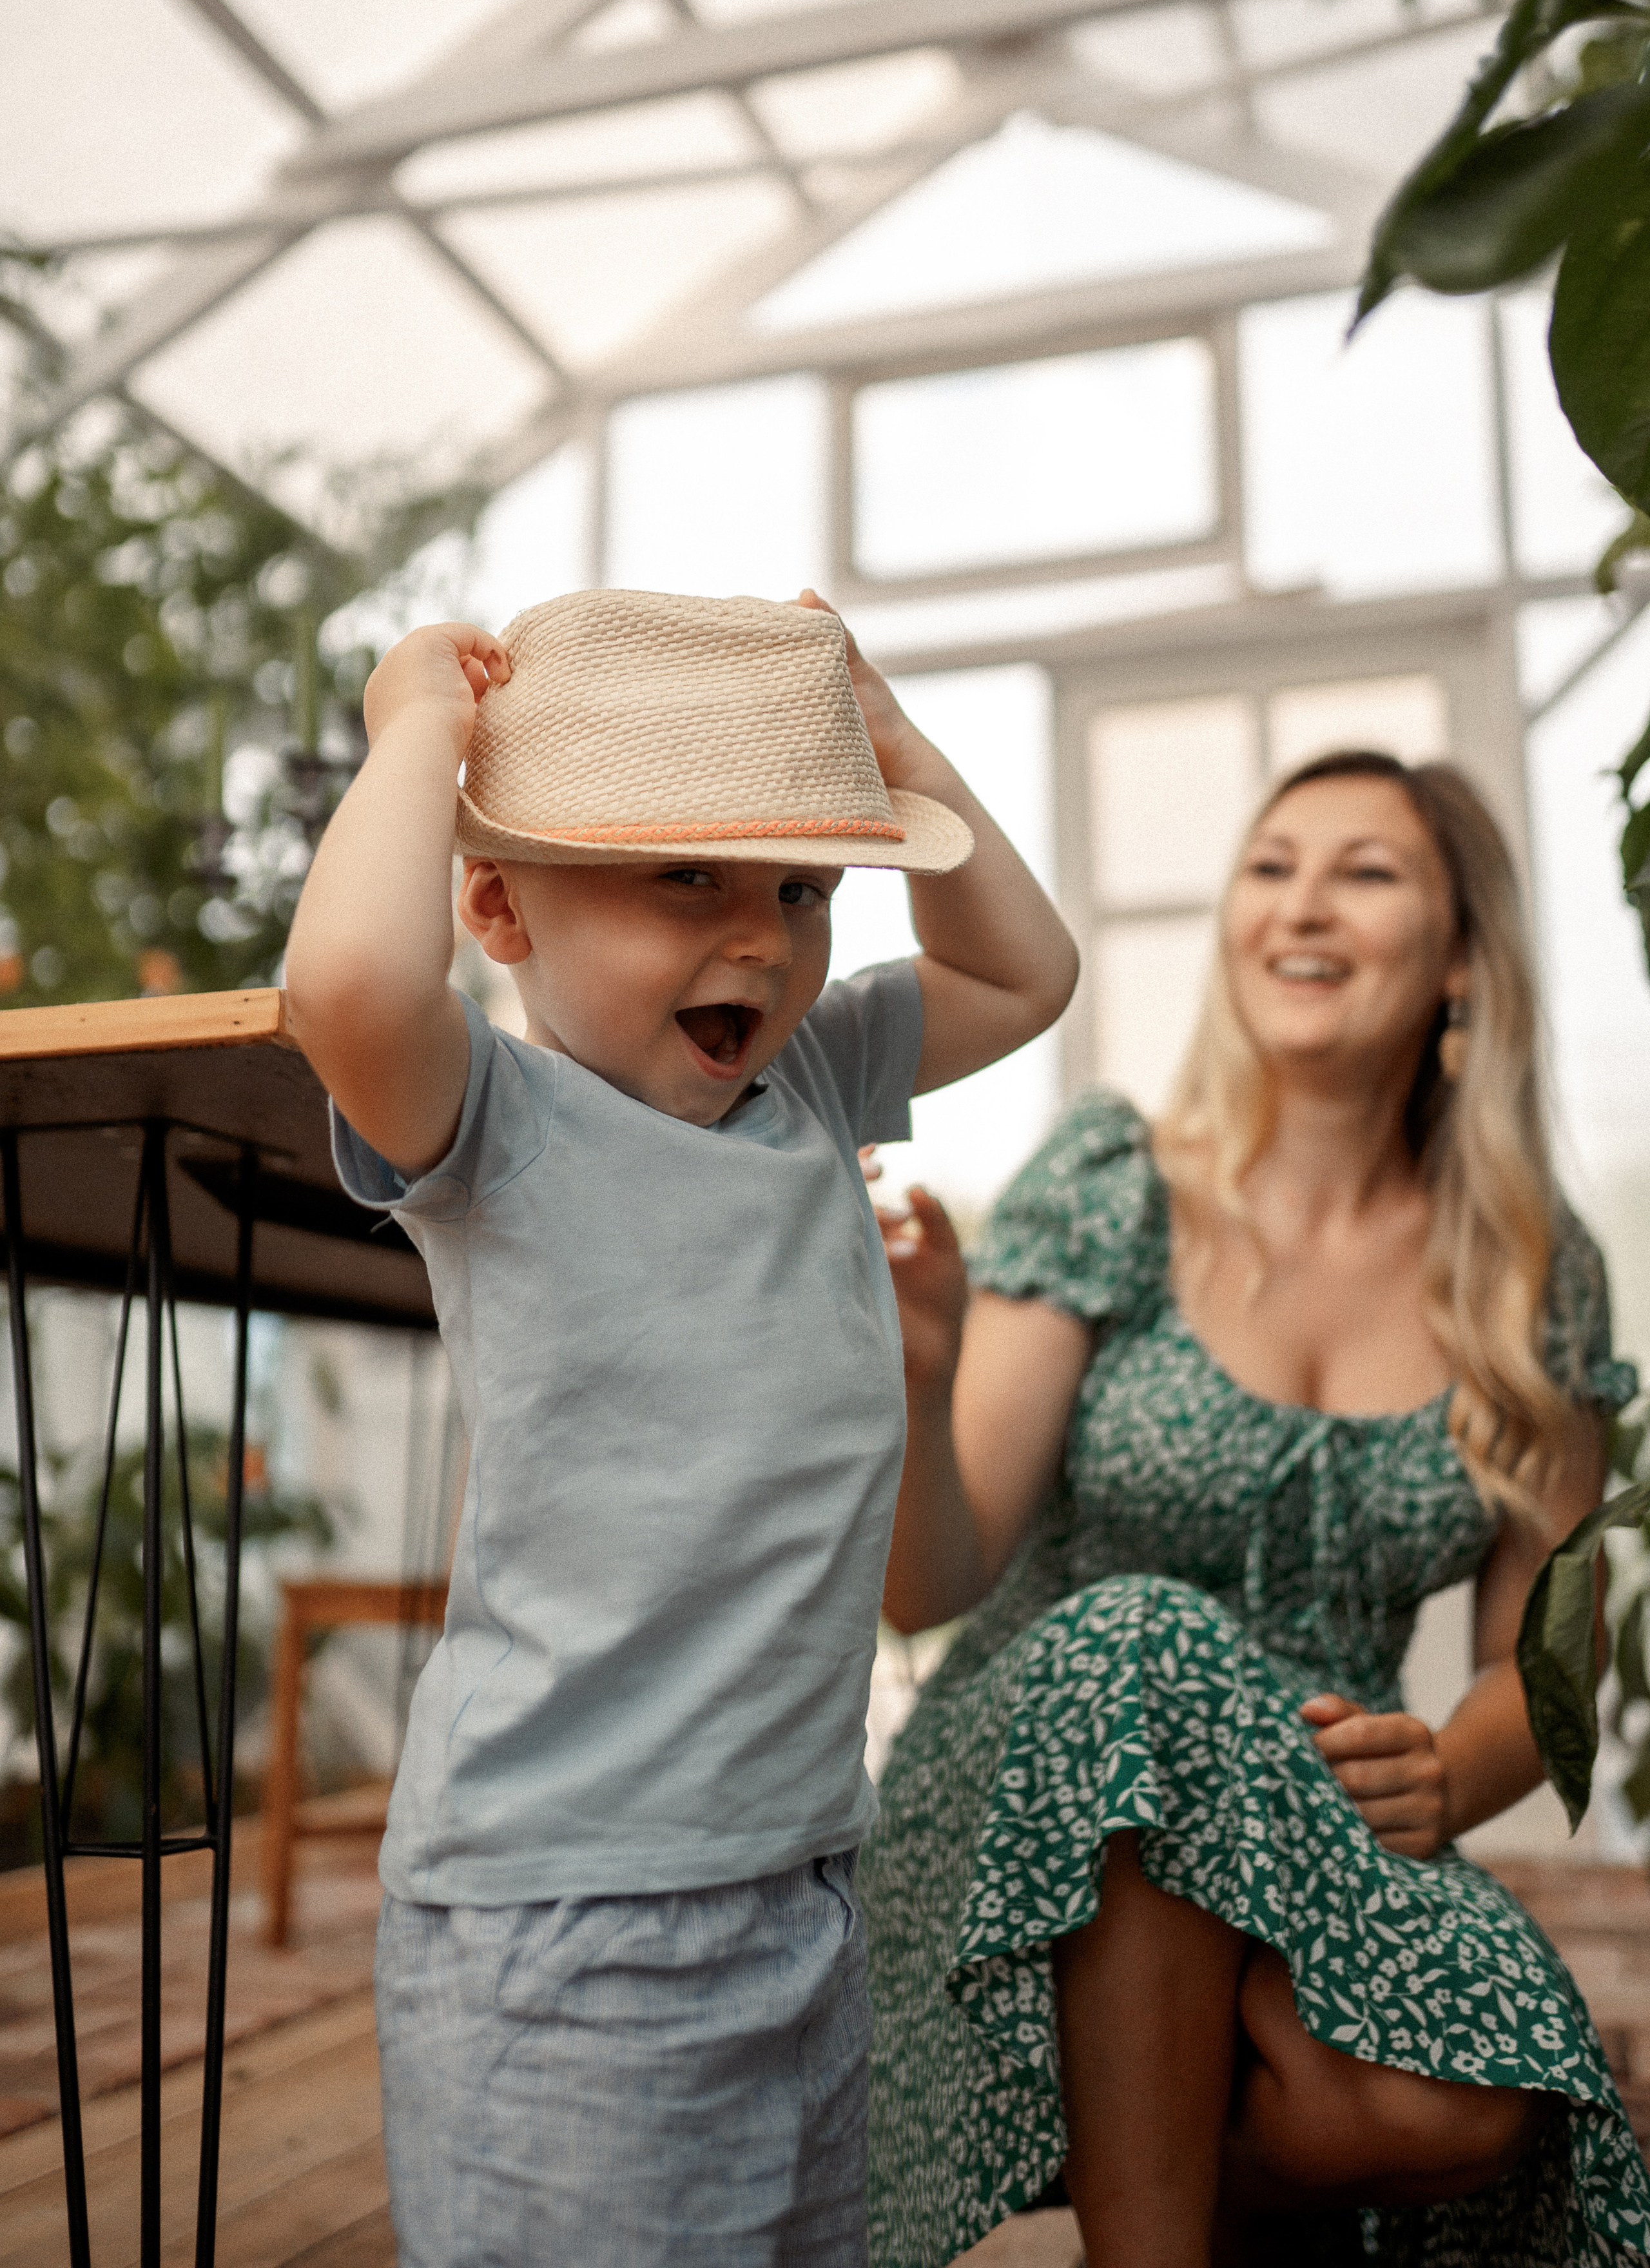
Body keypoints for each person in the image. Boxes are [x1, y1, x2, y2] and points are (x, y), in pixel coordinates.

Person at [282, 585, 1078, 2268]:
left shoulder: (817, 1079)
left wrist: (889, 739)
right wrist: (420, 723)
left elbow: (1028, 968)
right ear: (496, 903)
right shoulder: (490, 1120)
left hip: (801, 1880)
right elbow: (347, 975)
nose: (766, 939)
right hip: (565, 1918)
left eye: (802, 886)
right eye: (685, 878)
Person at [860, 749, 1650, 2268]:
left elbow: (1543, 1672)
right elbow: (925, 1584)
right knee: (1146, 1649)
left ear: (1461, 961)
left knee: (1460, 2108)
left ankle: (1103, 2169)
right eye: (1270, 865)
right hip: (1043, 1772)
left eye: (1364, 873)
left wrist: (1444, 1767)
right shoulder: (1112, 1183)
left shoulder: (1530, 1273)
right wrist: (918, 1376)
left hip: (1316, 1809)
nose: (1300, 907)